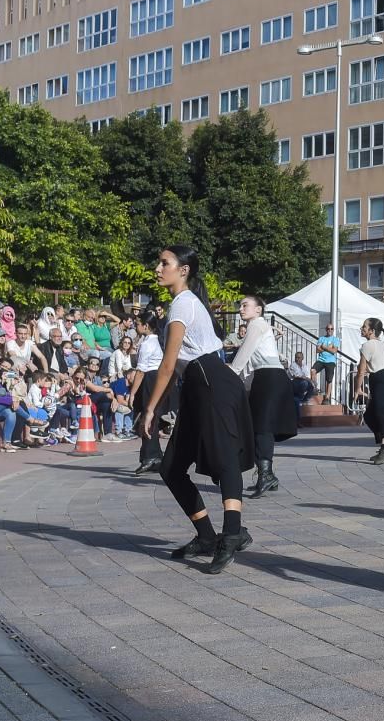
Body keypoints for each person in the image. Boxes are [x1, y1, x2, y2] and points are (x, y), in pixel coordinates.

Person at [141, 246, 254, 574]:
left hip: (211, 383)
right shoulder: (182, 304)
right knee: (171, 467)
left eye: (165, 263)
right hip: (197, 386)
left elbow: (167, 364)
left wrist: (150, 409)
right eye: (159, 262)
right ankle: (206, 536)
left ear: (184, 269)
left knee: (224, 458)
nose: (158, 268)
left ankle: (232, 534)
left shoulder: (183, 305)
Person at [229, 296, 297, 498]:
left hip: (270, 377)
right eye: (239, 305)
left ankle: (266, 475)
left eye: (245, 305)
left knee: (262, 428)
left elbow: (244, 353)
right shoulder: (258, 326)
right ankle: (268, 475)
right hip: (266, 377)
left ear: (258, 310)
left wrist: (231, 373)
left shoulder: (257, 325)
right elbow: (251, 361)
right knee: (258, 427)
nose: (240, 309)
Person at [354, 318, 384, 464]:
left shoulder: (368, 345)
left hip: (383, 380)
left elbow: (361, 370)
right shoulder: (381, 345)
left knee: (382, 415)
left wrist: (358, 389)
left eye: (364, 326)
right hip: (383, 379)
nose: (361, 328)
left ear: (371, 331)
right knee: (369, 415)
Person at [131, 310, 167, 475]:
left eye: (138, 324)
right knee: (151, 418)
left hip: (150, 380)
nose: (136, 326)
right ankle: (156, 456)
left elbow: (140, 371)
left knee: (148, 417)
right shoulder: (153, 341)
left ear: (146, 326)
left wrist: (132, 393)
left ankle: (150, 456)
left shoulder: (148, 344)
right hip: (155, 378)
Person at [314, 323, 340, 404]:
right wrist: (329, 348)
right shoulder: (321, 338)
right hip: (321, 359)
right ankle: (314, 388)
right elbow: (317, 350)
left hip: (331, 361)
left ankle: (327, 397)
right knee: (312, 370)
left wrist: (324, 347)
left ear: (333, 330)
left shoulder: (335, 339)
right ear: (326, 330)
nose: (330, 330)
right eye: (328, 329)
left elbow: (334, 351)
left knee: (329, 379)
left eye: (331, 329)